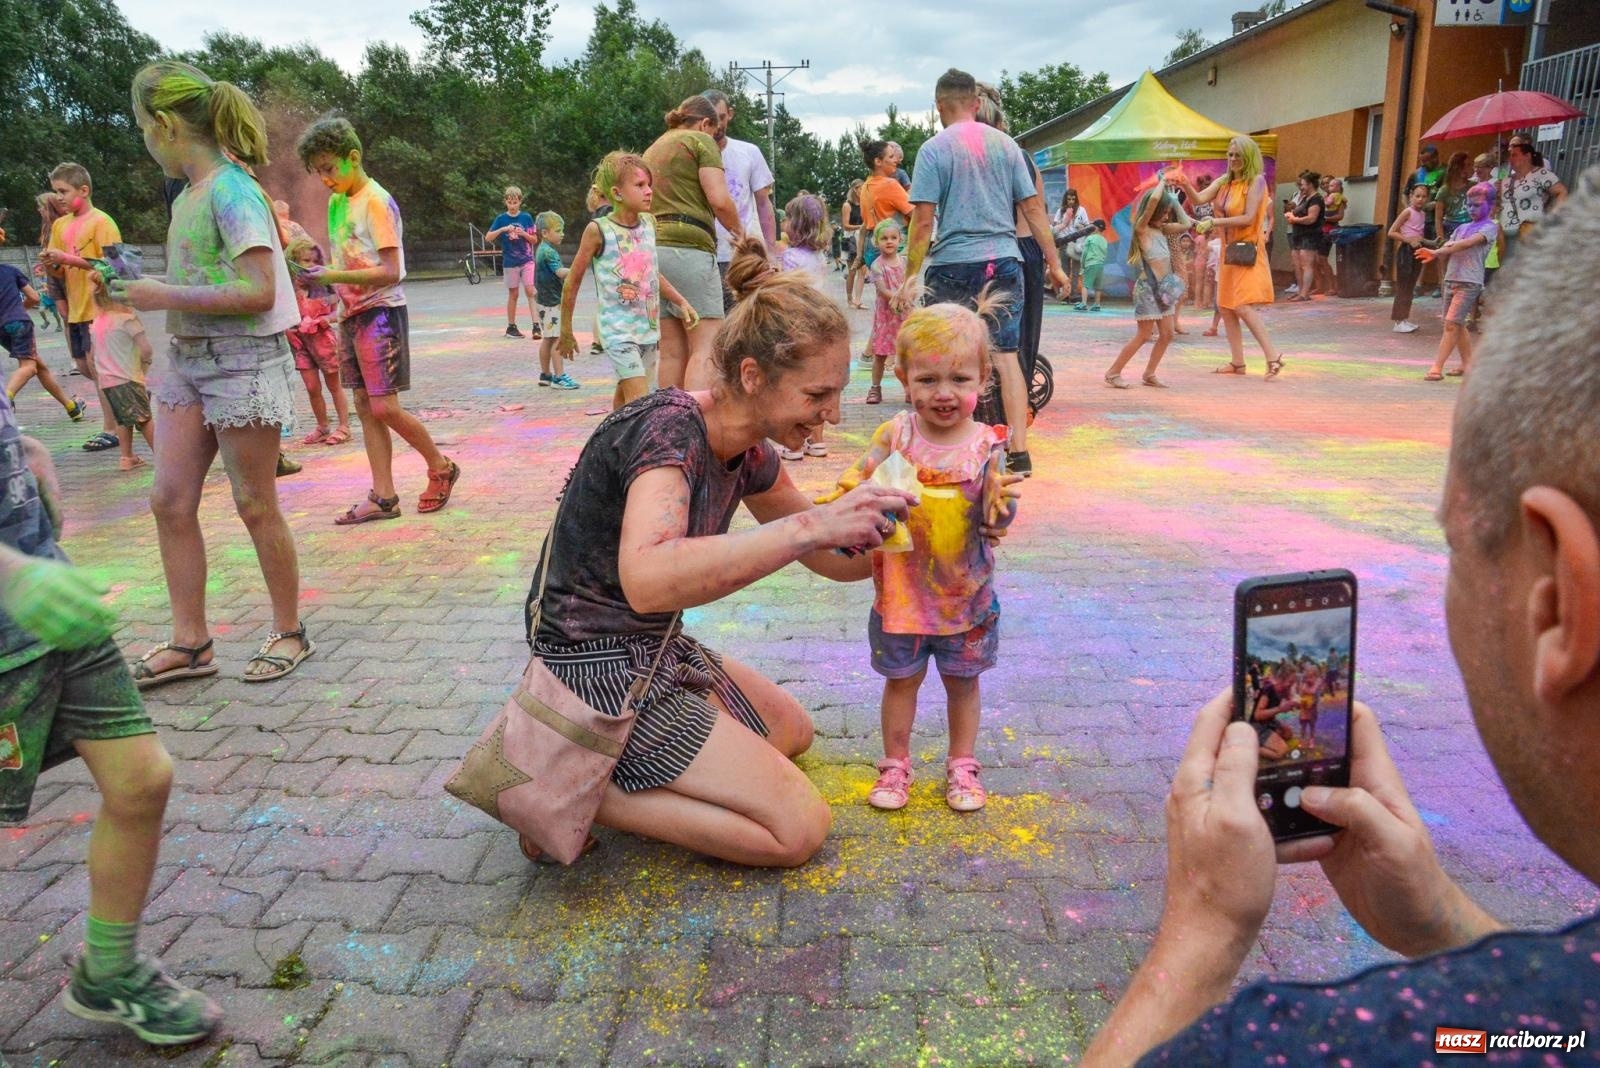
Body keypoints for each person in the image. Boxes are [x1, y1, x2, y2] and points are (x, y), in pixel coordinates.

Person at [1081, 169, 1600, 1067]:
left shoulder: (1350, 1041)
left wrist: (1201, 933)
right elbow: (1544, 1029)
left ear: (1558, 604)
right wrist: (1444, 923)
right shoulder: (1541, 1013)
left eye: (1454, 542)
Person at [521, 241, 931, 868]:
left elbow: (832, 557)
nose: (832, 414)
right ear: (751, 376)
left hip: (655, 650)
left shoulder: (752, 451)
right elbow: (650, 582)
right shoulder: (668, 428)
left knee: (791, 732)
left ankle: (602, 768)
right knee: (796, 830)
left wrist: (911, 532)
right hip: (594, 664)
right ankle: (564, 788)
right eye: (817, 395)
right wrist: (814, 526)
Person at [0, 389, 223, 1046]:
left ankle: (109, 969)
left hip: (52, 602)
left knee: (141, 778)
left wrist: (28, 457)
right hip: (17, 604)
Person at [114, 62, 312, 689]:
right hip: (185, 361)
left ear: (166, 125)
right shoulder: (189, 194)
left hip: (240, 364)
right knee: (169, 501)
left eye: (144, 128)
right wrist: (152, 294)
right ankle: (190, 643)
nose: (144, 142)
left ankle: (289, 631)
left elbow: (258, 290)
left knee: (255, 502)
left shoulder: (233, 191)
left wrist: (163, 292)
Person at [822, 300, 1020, 813]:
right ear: (905, 380)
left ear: (983, 381)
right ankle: (895, 766)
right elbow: (859, 481)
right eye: (929, 379)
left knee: (962, 684)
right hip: (901, 596)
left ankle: (962, 765)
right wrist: (838, 504)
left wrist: (1003, 508)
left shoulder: (986, 446)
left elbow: (995, 522)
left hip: (965, 596)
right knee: (901, 681)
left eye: (960, 378)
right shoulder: (896, 435)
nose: (944, 393)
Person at [901, 68, 1071, 479]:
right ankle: (1018, 450)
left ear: (939, 106)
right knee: (1006, 356)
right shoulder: (1007, 146)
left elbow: (922, 222)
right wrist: (1054, 264)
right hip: (1004, 260)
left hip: (951, 266)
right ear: (976, 104)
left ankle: (946, 442)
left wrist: (911, 272)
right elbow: (1033, 209)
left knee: (945, 354)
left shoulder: (933, 149)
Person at [295, 115, 461, 524]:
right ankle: (383, 496)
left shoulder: (376, 201)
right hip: (350, 316)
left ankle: (441, 466)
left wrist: (332, 276)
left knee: (384, 407)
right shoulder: (337, 202)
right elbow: (345, 258)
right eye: (318, 172)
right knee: (365, 407)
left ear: (354, 157)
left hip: (382, 313)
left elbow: (390, 269)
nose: (325, 180)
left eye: (330, 168)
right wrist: (323, 285)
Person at [557, 151, 698, 411]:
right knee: (641, 404)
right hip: (618, 333)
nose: (649, 192)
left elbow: (651, 272)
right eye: (640, 185)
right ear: (617, 193)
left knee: (625, 402)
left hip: (647, 330)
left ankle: (610, 446)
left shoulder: (648, 224)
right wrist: (565, 331)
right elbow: (573, 281)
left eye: (649, 185)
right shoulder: (598, 230)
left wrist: (680, 301)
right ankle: (639, 451)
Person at [641, 95, 745, 391]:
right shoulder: (701, 141)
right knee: (706, 345)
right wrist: (742, 235)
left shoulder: (654, 148)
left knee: (672, 350)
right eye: (714, 129)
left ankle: (668, 424)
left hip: (654, 253)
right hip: (690, 250)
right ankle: (695, 424)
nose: (715, 136)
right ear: (705, 123)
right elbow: (719, 200)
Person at [1172, 137, 1285, 379]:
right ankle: (1237, 363)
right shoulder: (1226, 181)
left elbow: (1247, 217)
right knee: (1225, 306)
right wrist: (1184, 184)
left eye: (1237, 155)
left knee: (1242, 305)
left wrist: (1215, 222)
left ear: (1249, 157)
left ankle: (1273, 358)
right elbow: (1199, 199)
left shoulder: (1257, 182)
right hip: (1228, 251)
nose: (1232, 159)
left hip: (1248, 251)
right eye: (1230, 154)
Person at [39, 163, 123, 453]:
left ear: (83, 190)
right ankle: (129, 397)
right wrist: (52, 264)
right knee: (85, 367)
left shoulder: (103, 223)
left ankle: (111, 429)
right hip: (76, 310)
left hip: (101, 308)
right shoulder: (60, 226)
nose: (58, 197)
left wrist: (68, 258)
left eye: (63, 191)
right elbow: (61, 270)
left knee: (100, 370)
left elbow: (116, 266)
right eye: (55, 191)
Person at [1104, 184, 1190, 389]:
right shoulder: (1141, 229)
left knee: (1167, 334)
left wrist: (1175, 200)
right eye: (1164, 212)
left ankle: (1149, 373)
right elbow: (1151, 202)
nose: (1166, 217)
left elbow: (1185, 223)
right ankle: (1113, 372)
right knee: (1143, 334)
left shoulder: (1163, 230)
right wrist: (1161, 182)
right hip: (1148, 290)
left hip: (1164, 291)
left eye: (1168, 213)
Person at [701, 89, 778, 305]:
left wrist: (770, 252)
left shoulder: (749, 152)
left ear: (730, 114)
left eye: (721, 117)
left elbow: (764, 204)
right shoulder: (688, 155)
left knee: (744, 321)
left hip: (741, 254)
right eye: (710, 119)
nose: (717, 124)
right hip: (703, 254)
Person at [1417, 181, 1498, 381]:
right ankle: (1468, 364)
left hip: (1469, 282)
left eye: (1477, 205)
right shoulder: (1461, 227)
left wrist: (1437, 251)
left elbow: (1466, 244)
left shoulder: (1490, 227)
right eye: (1469, 205)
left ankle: (1437, 367)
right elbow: (1450, 247)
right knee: (1456, 324)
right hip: (1451, 279)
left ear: (1490, 205)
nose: (1471, 209)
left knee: (1451, 325)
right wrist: (1436, 252)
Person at [284, 237, 352, 444]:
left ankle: (344, 426)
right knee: (312, 387)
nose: (311, 266)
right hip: (300, 342)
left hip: (323, 340)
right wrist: (288, 327)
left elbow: (339, 311)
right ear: (294, 261)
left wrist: (323, 320)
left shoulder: (327, 285)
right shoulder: (288, 288)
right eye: (305, 261)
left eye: (314, 261)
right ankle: (322, 426)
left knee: (334, 385)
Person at [88, 273, 155, 471]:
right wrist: (145, 367)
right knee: (145, 420)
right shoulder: (127, 320)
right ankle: (163, 457)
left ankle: (126, 458)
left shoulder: (97, 323)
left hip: (107, 381)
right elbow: (146, 350)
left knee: (122, 419)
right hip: (128, 377)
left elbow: (92, 355)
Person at [2, 260, 84, 422]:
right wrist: (18, 309)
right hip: (19, 323)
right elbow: (33, 297)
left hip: (1, 329)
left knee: (40, 367)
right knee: (29, 367)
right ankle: (4, 398)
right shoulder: (9, 270)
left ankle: (71, 408)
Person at [1499, 135, 1568, 264]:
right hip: (1505, 234)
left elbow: (1561, 192)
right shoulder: (1507, 180)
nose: (1511, 159)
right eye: (1510, 155)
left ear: (1527, 156)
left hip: (1528, 231)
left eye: (1515, 155)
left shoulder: (1540, 174)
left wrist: (1553, 215)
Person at [864, 220, 909, 408]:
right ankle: (875, 386)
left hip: (905, 312)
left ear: (900, 240)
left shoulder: (905, 262)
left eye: (893, 238)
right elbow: (882, 290)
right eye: (884, 238)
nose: (889, 241)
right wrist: (899, 297)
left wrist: (909, 295)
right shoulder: (876, 265)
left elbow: (911, 283)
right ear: (876, 242)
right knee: (880, 354)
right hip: (886, 315)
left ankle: (910, 387)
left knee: (907, 353)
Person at [485, 185, 538, 339]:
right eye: (510, 202)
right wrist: (502, 230)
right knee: (513, 294)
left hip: (526, 260)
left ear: (520, 202)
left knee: (530, 290)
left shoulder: (526, 218)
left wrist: (523, 234)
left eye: (515, 202)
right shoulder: (501, 219)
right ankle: (511, 327)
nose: (512, 206)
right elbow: (488, 237)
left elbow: (535, 239)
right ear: (505, 202)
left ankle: (536, 326)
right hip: (510, 261)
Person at [533, 211, 578, 390]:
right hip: (552, 303)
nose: (562, 234)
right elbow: (560, 273)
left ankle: (545, 374)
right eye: (558, 230)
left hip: (543, 301)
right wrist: (577, 268)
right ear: (545, 233)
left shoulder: (541, 249)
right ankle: (559, 377)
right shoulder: (549, 252)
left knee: (548, 339)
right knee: (557, 339)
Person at [860, 140, 914, 274]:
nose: (896, 160)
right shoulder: (890, 184)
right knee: (899, 292)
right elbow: (915, 214)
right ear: (878, 161)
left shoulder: (865, 186)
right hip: (892, 247)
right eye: (891, 157)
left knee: (884, 293)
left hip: (872, 247)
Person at [1387, 182, 1430, 335]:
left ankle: (1404, 318)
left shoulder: (1423, 214)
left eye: (1424, 197)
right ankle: (1398, 321)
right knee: (1403, 286)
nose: (1420, 199)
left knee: (1410, 286)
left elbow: (1419, 234)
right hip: (1406, 251)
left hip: (1417, 251)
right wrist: (1407, 240)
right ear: (1411, 197)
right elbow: (1391, 232)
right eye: (1417, 196)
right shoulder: (1407, 212)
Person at [1283, 171, 1324, 301]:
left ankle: (1305, 294)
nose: (1301, 188)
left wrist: (1294, 219)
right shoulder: (1305, 198)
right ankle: (1301, 291)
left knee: (1307, 264)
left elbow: (1312, 218)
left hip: (1310, 235)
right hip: (1298, 234)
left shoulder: (1316, 199)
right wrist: (1290, 215)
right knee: (1297, 264)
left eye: (1303, 185)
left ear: (1311, 184)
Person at [1433, 151, 1473, 282]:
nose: (1470, 168)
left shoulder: (1473, 186)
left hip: (1469, 229)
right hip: (1450, 228)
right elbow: (1438, 218)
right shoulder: (1444, 190)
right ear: (1458, 167)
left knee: (1467, 265)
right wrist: (1441, 239)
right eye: (1466, 165)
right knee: (1447, 266)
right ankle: (1445, 292)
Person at [1053, 189, 1091, 304]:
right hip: (1064, 241)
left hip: (1077, 242)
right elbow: (1055, 225)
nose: (1071, 201)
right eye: (1069, 199)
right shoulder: (1060, 211)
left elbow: (1087, 225)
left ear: (1076, 199)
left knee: (1075, 271)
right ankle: (1065, 294)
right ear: (1065, 199)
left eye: (1073, 199)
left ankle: (1074, 295)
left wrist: (1082, 226)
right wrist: (1063, 224)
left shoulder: (1081, 210)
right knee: (1064, 270)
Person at [842, 179, 867, 309]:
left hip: (862, 238)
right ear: (853, 189)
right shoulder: (847, 205)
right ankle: (849, 298)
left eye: (862, 187)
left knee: (862, 270)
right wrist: (860, 227)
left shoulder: (864, 204)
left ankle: (858, 300)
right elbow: (845, 226)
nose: (860, 190)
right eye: (857, 188)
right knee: (852, 271)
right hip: (851, 239)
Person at [1079, 220, 1109, 311]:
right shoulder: (1104, 240)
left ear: (1095, 228)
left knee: (1085, 285)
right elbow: (1105, 253)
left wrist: (1083, 264)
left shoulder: (1090, 238)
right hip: (1100, 265)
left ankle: (1083, 303)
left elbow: (1084, 253)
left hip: (1090, 263)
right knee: (1098, 286)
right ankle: (1097, 304)